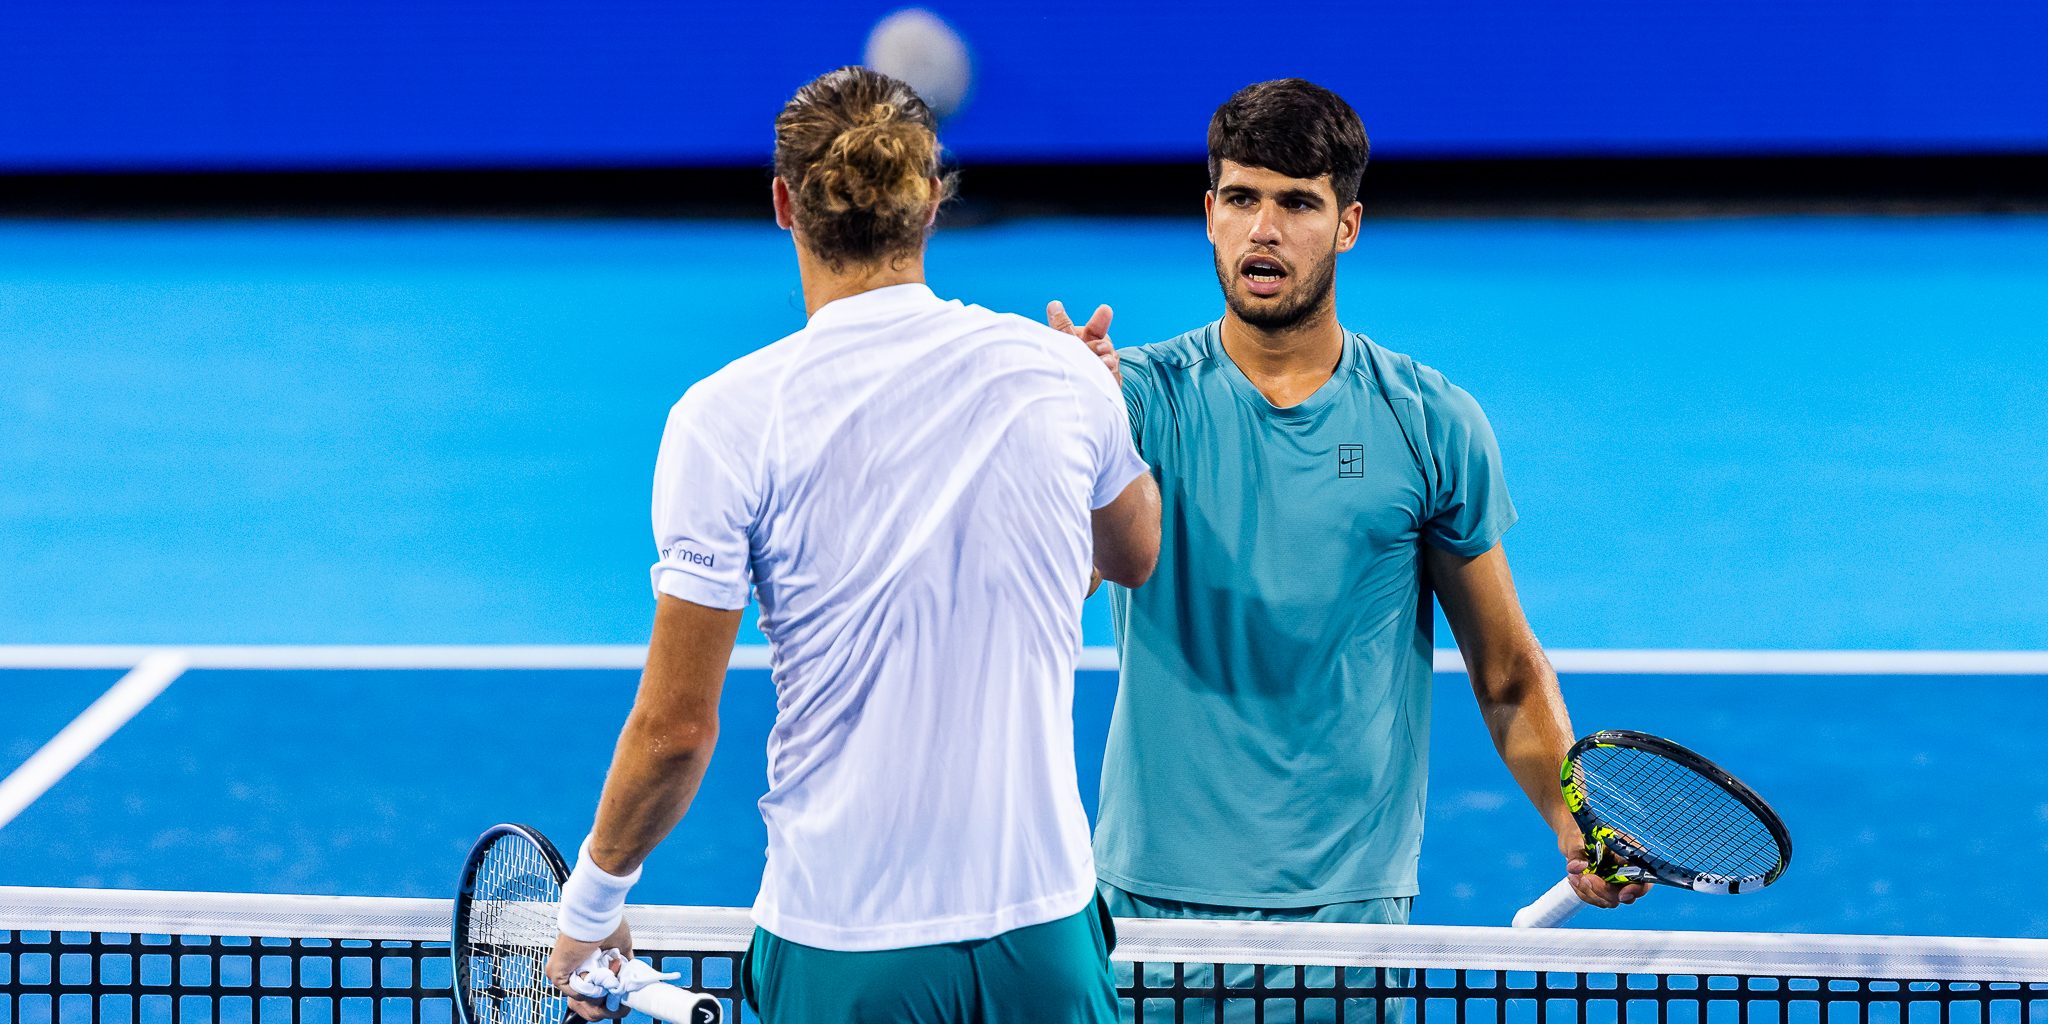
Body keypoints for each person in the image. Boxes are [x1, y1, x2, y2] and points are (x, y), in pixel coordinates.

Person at [545, 66, 1161, 1024]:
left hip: (846, 943)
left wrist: (590, 907)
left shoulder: (723, 418)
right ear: (932, 202)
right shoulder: (1061, 374)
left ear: (786, 204)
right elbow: (1132, 555)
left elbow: (676, 732)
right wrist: (1099, 401)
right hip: (1045, 937)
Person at [1048, 79, 1647, 938]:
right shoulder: (1133, 404)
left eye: (1297, 203)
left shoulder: (1430, 423)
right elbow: (1056, 582)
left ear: (1346, 225)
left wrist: (1571, 819)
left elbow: (1508, 672)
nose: (1265, 228)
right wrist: (1069, 424)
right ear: (1209, 213)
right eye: (1243, 199)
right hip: (1149, 912)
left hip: (1348, 921)